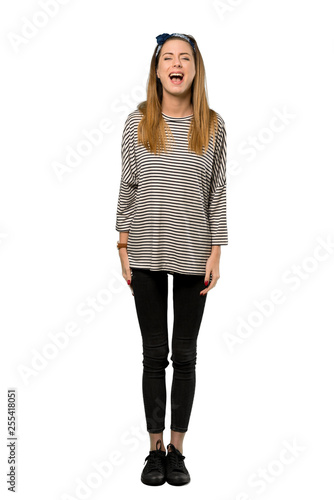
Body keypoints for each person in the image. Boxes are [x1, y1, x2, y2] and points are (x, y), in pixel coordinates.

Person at [115, 32, 228, 486]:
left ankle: (178, 451)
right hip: (144, 247)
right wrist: (122, 244)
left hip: (193, 250)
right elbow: (127, 184)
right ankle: (153, 449)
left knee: (184, 354)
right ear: (157, 68)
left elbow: (217, 192)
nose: (176, 64)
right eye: (168, 57)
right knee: (153, 354)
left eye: (185, 58)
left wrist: (217, 250)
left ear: (195, 69)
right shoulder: (137, 121)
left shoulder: (214, 125)